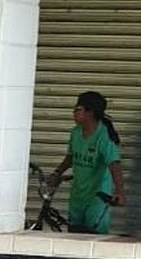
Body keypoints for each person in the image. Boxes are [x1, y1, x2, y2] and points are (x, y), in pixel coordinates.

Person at [47, 90, 126, 234]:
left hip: (97, 197)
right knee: (74, 235)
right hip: (78, 195)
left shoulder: (103, 136)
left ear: (90, 112)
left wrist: (119, 191)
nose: (74, 113)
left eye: (78, 109)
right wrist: (57, 173)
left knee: (94, 237)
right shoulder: (76, 132)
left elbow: (114, 163)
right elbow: (71, 157)